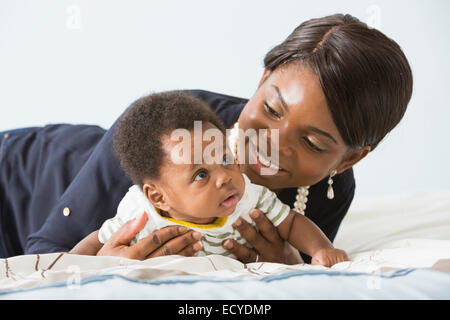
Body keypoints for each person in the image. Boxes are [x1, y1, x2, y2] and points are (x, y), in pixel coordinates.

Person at [0, 14, 413, 264]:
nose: (272, 143)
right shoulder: (174, 129)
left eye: (314, 144)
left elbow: (308, 260)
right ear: (262, 79)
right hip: (18, 181)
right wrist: (98, 268)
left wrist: (289, 266)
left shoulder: (329, 192)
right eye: (271, 109)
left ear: (349, 160)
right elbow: (43, 259)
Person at [71, 91, 349, 267]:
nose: (224, 178)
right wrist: (71, 266)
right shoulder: (143, 216)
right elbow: (97, 241)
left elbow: (291, 224)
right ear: (159, 197)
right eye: (201, 174)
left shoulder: (251, 199)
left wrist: (321, 249)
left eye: (226, 160)